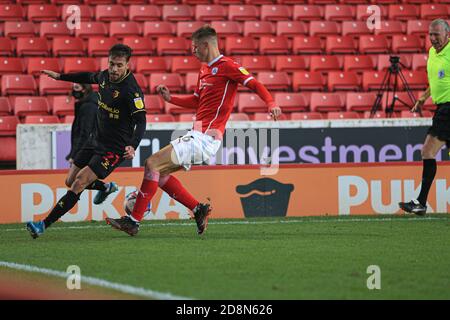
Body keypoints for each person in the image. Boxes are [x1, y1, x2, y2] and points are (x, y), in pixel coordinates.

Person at [106, 25, 281, 236]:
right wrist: (171, 99)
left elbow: (254, 84)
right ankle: (199, 209)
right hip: (197, 135)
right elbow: (197, 101)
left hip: (206, 138)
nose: (193, 51)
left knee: (152, 163)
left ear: (206, 45)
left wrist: (271, 104)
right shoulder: (204, 70)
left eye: (195, 47)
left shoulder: (227, 66)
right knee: (159, 173)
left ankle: (133, 221)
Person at [26, 44, 147, 238]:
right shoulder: (105, 77)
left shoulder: (131, 91)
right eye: (111, 64)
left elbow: (141, 122)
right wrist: (60, 76)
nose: (114, 69)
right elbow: (87, 76)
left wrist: (133, 145)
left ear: (127, 65)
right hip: (94, 140)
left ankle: (42, 225)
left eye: (118, 65)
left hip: (113, 149)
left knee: (79, 182)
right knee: (70, 180)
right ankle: (107, 187)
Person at [399, 19, 450, 216]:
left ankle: (420, 202)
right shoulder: (432, 53)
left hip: (448, 109)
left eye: (437, 34)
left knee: (427, 152)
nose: (433, 38)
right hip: (442, 108)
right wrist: (423, 97)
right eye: (431, 34)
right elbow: (438, 81)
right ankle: (420, 202)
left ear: (447, 35)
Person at [67, 83, 119, 205]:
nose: (74, 91)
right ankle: (106, 187)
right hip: (92, 145)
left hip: (91, 147)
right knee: (71, 181)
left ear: (84, 89)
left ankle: (105, 187)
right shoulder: (87, 104)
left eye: (76, 88)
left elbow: (85, 132)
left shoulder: (89, 106)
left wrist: (75, 154)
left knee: (75, 181)